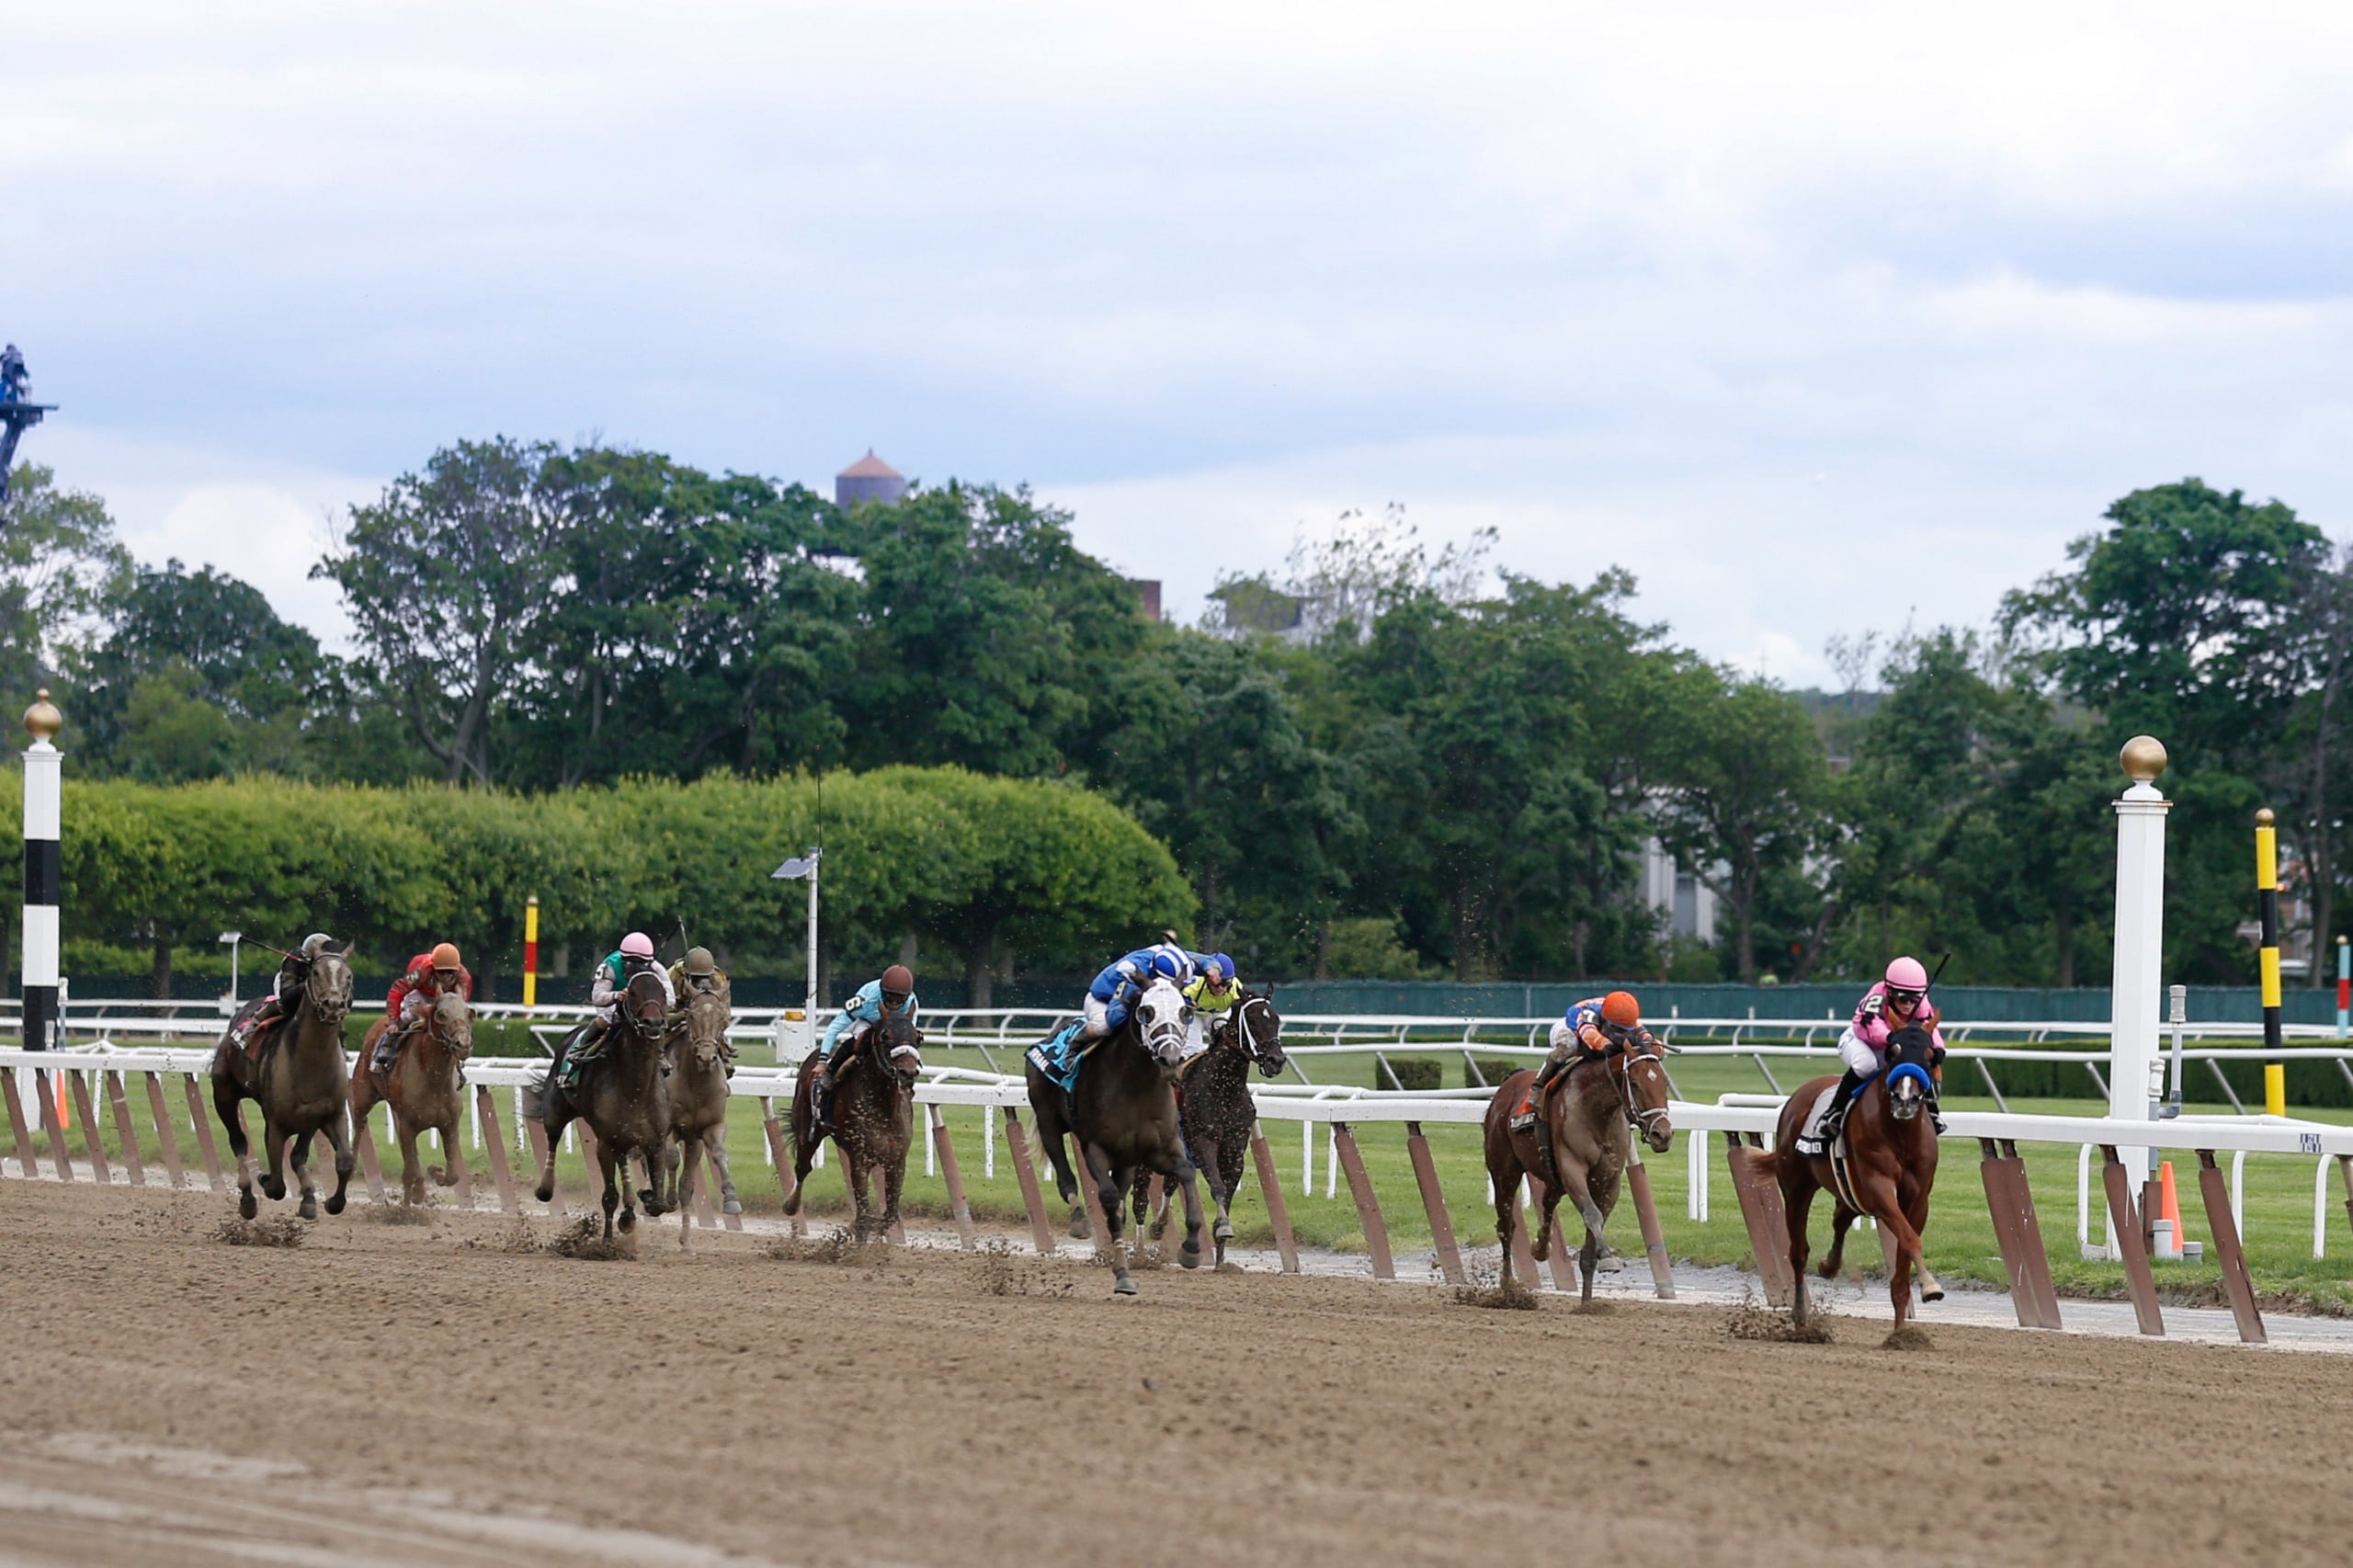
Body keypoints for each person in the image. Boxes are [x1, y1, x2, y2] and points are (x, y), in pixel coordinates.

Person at [1818, 955, 1948, 1142]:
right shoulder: (1877, 997)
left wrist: (1937, 1048)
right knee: (1866, 1064)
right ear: (1891, 992)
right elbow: (1870, 1028)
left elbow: (1929, 1029)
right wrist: (1892, 1037)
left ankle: (1932, 1112)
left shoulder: (1922, 1002)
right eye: (1903, 999)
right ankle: (1834, 1113)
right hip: (1862, 1039)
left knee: (1922, 1064)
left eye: (1914, 999)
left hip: (1895, 1042)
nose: (1909, 1004)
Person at [810, 963, 917, 1135]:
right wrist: (822, 1061)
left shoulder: (911, 1002)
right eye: (890, 997)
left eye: (899, 999)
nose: (894, 1003)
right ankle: (831, 1073)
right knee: (861, 1038)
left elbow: (907, 1036)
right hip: (865, 1021)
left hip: (889, 1027)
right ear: (882, 992)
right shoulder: (865, 1002)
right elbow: (834, 1027)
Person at [558, 932, 675, 1088]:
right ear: (622, 958)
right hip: (614, 1004)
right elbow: (597, 997)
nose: (636, 966)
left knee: (655, 1020)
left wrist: (649, 1003)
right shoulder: (610, 965)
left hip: (639, 1007)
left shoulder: (656, 968)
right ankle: (579, 1050)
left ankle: (659, 1054)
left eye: (641, 962)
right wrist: (617, 995)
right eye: (631, 962)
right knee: (606, 1018)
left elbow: (671, 999)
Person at [373, 942, 472, 1079]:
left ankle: (459, 1052)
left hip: (447, 998)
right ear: (433, 968)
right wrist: (392, 1021)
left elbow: (461, 1004)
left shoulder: (464, 978)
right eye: (441, 972)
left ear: (457, 970)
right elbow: (396, 992)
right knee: (409, 1015)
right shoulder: (420, 972)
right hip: (421, 993)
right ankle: (386, 1045)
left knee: (456, 1021)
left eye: (450, 972)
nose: (446, 976)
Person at [1529, 990, 1644, 1106]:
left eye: (1624, 1030)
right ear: (1606, 1019)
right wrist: (1604, 1044)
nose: (1621, 1033)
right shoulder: (1590, 1012)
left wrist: (1651, 1045)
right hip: (1571, 1030)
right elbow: (1589, 1034)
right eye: (1618, 1030)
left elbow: (1644, 1034)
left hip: (1596, 1031)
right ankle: (1538, 1086)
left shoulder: (1625, 1016)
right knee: (1568, 1046)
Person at [227, 932, 334, 1055]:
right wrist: (309, 984)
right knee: (282, 1005)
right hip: (288, 987)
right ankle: (248, 1030)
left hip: (313, 992)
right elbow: (287, 994)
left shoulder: (329, 963)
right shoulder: (294, 959)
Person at [1179, 951, 1242, 1057]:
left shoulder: (1237, 990)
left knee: (1224, 1042)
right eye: (1215, 984)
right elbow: (1176, 1000)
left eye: (1225, 983)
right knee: (1192, 1048)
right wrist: (1186, 1003)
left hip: (1218, 1015)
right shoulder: (1194, 986)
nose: (1220, 988)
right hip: (1196, 1015)